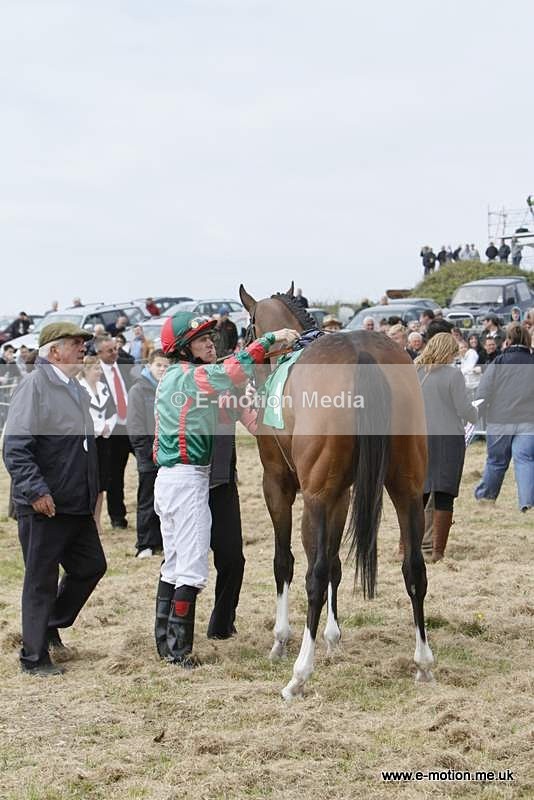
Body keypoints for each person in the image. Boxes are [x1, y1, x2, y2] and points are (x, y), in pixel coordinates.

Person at [152, 311, 299, 667]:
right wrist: (271, 339)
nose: (210, 342)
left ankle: (165, 642)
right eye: (201, 339)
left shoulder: (191, 379)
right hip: (187, 479)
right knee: (190, 566)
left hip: (179, 479)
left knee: (174, 564)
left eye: (209, 337)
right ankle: (178, 651)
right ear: (183, 348)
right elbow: (234, 370)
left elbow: (251, 420)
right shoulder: (189, 377)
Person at [2, 322, 106, 676]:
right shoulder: (35, 386)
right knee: (40, 580)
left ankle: (48, 624)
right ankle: (34, 658)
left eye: (83, 344)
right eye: (76, 344)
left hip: (75, 503)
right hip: (45, 505)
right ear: (54, 351)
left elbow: (83, 448)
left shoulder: (75, 388)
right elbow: (16, 448)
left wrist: (94, 497)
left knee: (92, 566)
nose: (83, 349)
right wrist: (36, 491)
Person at [415, 333, 477, 561]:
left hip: (418, 438)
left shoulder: (416, 372)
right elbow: (463, 409)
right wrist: (476, 412)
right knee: (443, 493)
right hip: (447, 438)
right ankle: (436, 551)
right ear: (447, 351)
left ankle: (411, 547)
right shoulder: (452, 374)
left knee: (418, 494)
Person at [474, 323, 534, 511]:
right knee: (525, 460)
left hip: (500, 419)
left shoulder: (498, 362)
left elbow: (484, 391)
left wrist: (477, 414)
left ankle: (486, 497)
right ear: (528, 340)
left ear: (508, 340)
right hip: (528, 420)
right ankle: (527, 503)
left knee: (496, 461)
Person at [127, 349, 169, 558]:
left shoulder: (170, 388)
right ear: (149, 366)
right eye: (159, 365)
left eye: (166, 366)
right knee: (147, 500)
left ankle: (162, 541)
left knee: (166, 501)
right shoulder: (139, 390)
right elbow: (135, 425)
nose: (162, 369)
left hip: (169, 455)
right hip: (148, 455)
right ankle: (145, 543)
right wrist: (146, 454)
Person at [94, 336, 131, 529]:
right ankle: (117, 517)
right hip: (112, 429)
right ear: (99, 353)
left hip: (132, 425)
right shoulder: (95, 372)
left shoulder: (127, 364)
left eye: (116, 349)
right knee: (115, 474)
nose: (115, 353)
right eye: (110, 351)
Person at [78, 355, 117, 536]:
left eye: (100, 369)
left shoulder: (103, 389)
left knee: (101, 482)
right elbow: (82, 416)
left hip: (104, 441)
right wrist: (98, 427)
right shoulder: (79, 388)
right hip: (88, 441)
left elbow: (112, 411)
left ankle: (97, 520)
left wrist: (108, 425)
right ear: (86, 370)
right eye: (96, 369)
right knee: (88, 482)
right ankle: (85, 521)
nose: (99, 372)